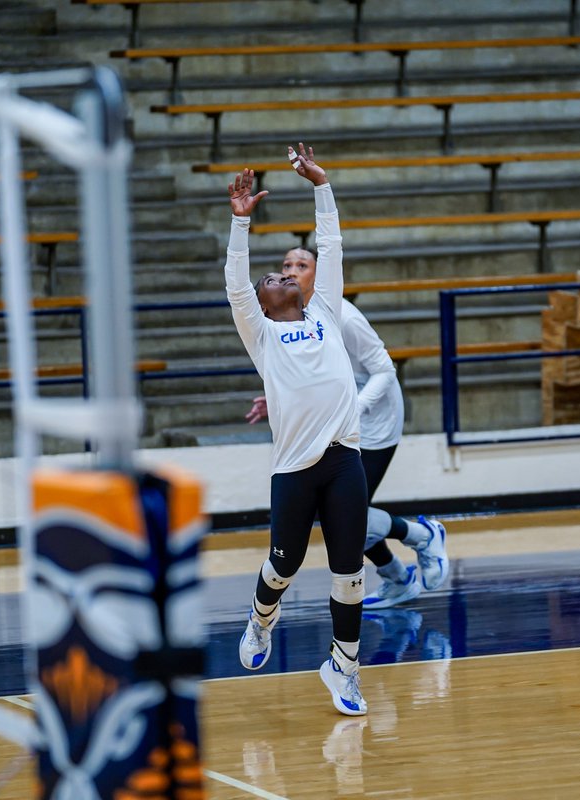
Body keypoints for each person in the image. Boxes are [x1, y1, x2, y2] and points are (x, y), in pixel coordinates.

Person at [225, 144, 369, 716]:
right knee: (282, 564)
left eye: (288, 270)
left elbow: (330, 247)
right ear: (260, 302)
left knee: (350, 573)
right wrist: (240, 221)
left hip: (343, 458)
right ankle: (261, 622)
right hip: (293, 468)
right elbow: (236, 281)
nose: (281, 273)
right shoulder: (259, 333)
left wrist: (322, 185)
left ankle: (345, 668)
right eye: (271, 274)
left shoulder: (325, 313)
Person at [244, 250, 450, 609]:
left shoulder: (346, 318)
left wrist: (353, 408)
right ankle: (397, 577)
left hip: (374, 420)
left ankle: (421, 535)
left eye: (301, 266)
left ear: (318, 274)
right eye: (286, 266)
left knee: (345, 515)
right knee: (342, 516)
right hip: (336, 422)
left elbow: (385, 370)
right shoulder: (286, 324)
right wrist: (277, 399)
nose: (291, 271)